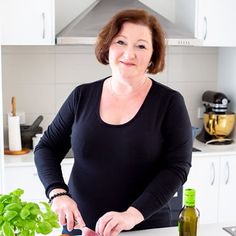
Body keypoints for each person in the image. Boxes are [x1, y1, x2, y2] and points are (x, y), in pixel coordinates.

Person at [34, 9, 192, 236]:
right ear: (107, 47)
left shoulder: (169, 102)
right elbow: (46, 148)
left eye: (141, 45)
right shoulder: (81, 96)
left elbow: (177, 168)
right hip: (80, 226)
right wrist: (57, 193)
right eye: (121, 41)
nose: (129, 53)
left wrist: (131, 215)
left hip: (143, 226)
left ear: (152, 56)